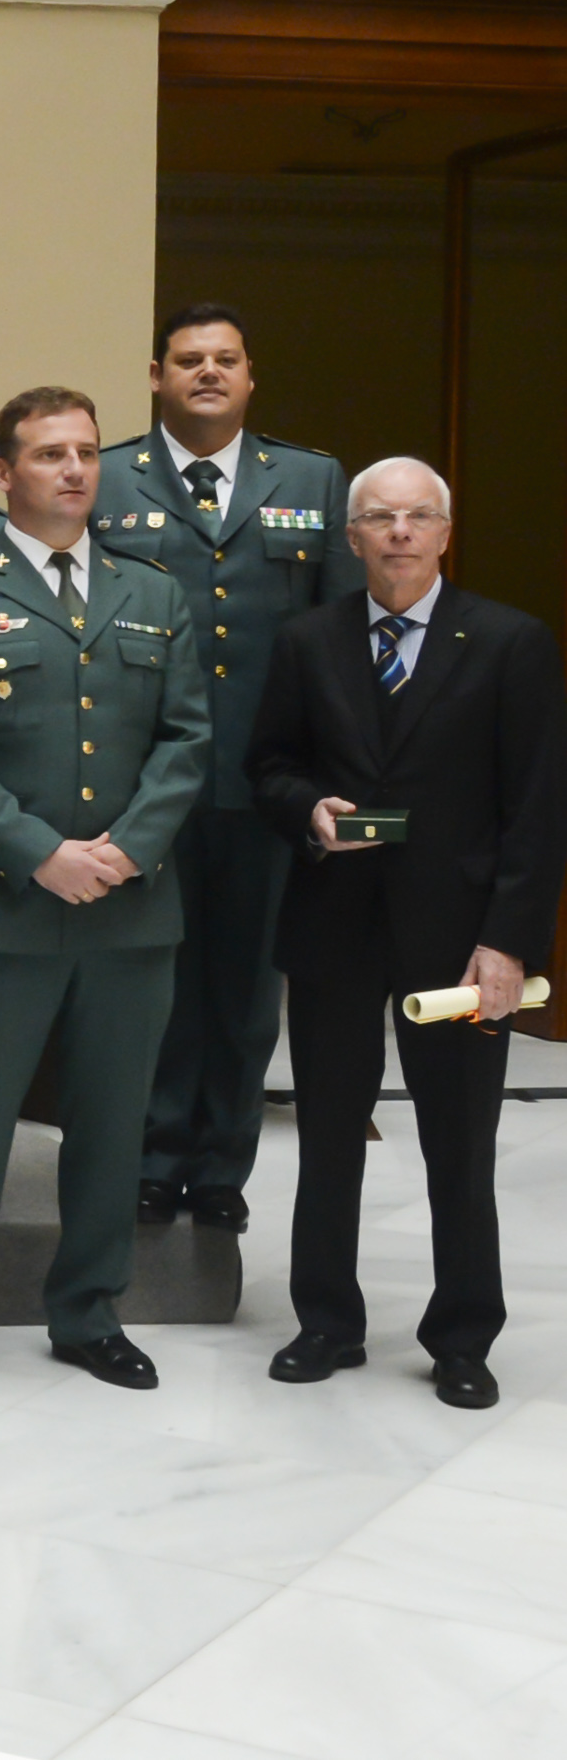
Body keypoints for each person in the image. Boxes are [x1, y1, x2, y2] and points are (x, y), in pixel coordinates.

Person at [0, 387, 208, 1390]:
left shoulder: (153, 594)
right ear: (2, 473)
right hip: (0, 909)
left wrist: (127, 847)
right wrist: (40, 852)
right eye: (47, 454)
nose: (73, 469)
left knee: (112, 1128)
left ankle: (87, 1312)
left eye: (84, 451)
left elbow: (186, 739)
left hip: (128, 909)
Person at [248, 459, 562, 1411]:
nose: (397, 532)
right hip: (334, 931)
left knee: (458, 1142)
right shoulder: (307, 641)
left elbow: (536, 808)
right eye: (378, 518)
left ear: (443, 533)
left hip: (459, 944)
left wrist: (507, 941)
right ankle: (325, 1322)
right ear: (350, 538)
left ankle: (462, 1336)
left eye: (416, 517)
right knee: (327, 1134)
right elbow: (267, 765)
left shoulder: (509, 642)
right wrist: (308, 812)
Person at [96, 303, 358, 1236]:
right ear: (156, 376)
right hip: (144, 782)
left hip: (264, 781)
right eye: (187, 359)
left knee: (247, 992)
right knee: (154, 984)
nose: (206, 372)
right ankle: (151, 1159)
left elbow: (339, 639)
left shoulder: (312, 479)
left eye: (224, 359)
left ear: (249, 376)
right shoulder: (106, 477)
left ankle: (219, 1169)